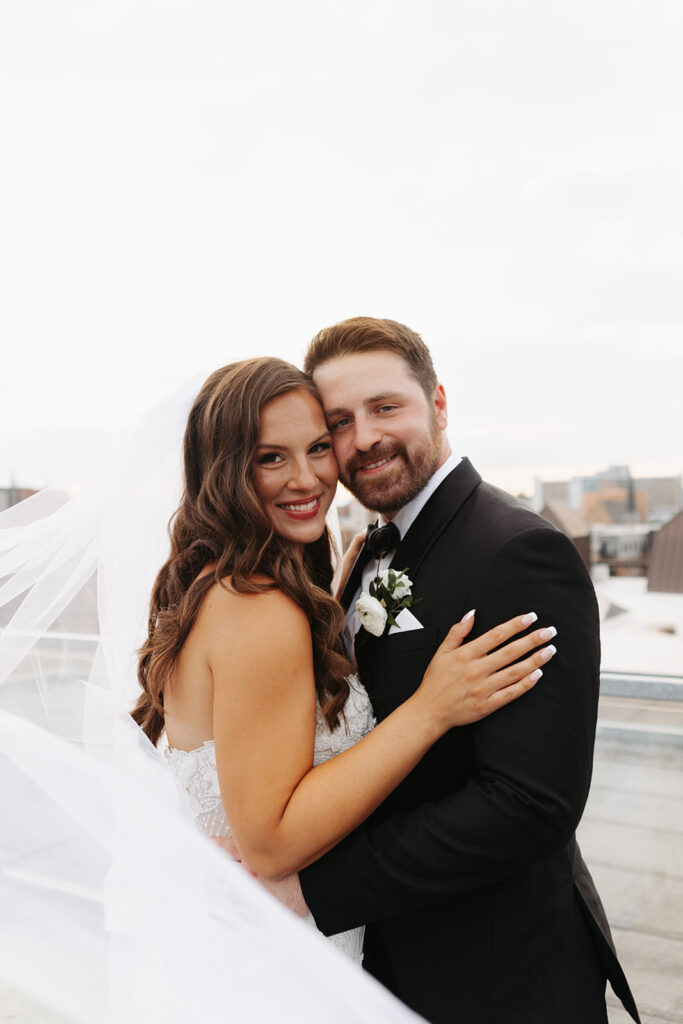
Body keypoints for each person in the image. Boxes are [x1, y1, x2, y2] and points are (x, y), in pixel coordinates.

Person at [131, 356, 553, 963]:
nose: (305, 479)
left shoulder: (217, 585)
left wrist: (334, 611)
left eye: (318, 448)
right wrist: (430, 709)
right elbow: (271, 845)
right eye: (270, 457)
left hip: (230, 934)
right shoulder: (260, 609)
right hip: (277, 954)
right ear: (225, 472)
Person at [297, 317, 641, 1024]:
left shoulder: (518, 551)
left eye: (385, 407)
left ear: (439, 403)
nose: (363, 439)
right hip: (386, 965)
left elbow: (529, 803)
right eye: (339, 421)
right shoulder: (366, 548)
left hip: (496, 976)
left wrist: (314, 890)